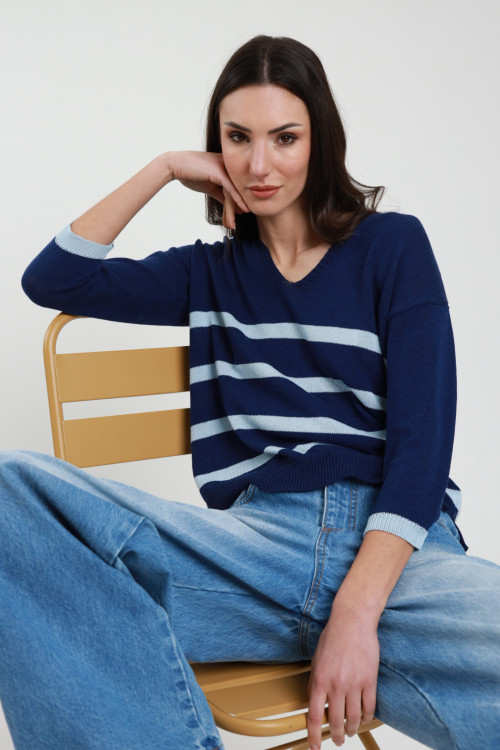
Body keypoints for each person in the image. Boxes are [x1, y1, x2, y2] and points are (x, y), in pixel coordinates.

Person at [1, 34, 499, 750]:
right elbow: (53, 279)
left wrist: (355, 614)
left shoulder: (392, 246)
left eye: (284, 137)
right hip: (250, 557)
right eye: (238, 138)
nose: (259, 165)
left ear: (320, 140)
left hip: (396, 561)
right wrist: (164, 168)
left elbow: (424, 445)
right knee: (8, 493)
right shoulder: (205, 274)